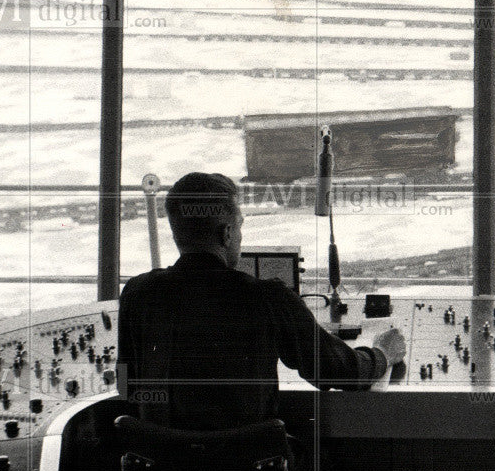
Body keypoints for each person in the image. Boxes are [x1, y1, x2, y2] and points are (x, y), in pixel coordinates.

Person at [118, 171, 406, 431]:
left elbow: (125, 387)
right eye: (239, 226)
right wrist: (382, 354)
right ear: (228, 233)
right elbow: (338, 372)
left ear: (176, 233)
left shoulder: (137, 293)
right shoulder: (268, 297)